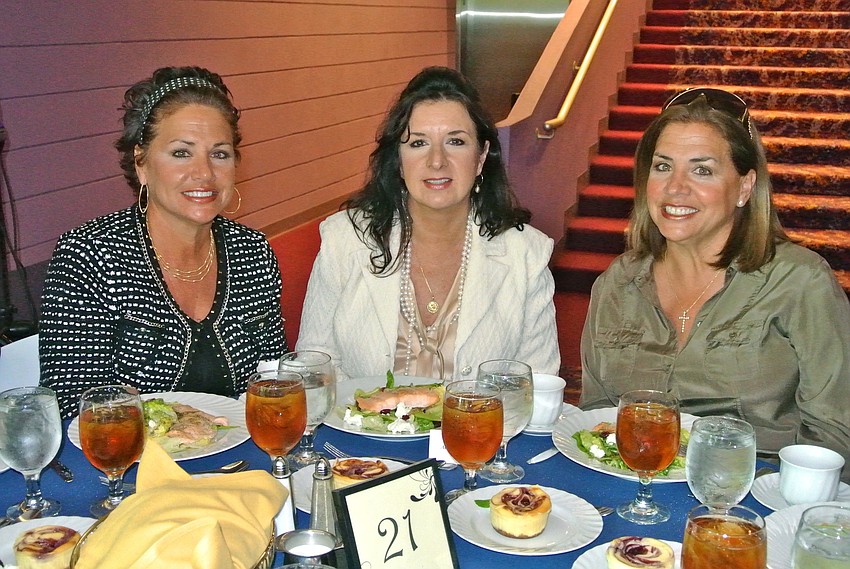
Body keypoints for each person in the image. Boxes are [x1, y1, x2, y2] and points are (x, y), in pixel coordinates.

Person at [580, 87, 850, 480]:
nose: (675, 188)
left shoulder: (800, 282)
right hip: (635, 490)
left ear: (744, 187)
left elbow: (835, 433)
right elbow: (598, 414)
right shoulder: (616, 284)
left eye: (702, 169)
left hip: (757, 502)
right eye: (662, 166)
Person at [40, 66, 287, 418]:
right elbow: (73, 408)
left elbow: (274, 381)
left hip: (244, 460)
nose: (204, 173)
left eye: (219, 154)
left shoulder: (252, 251)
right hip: (130, 466)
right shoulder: (89, 256)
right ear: (141, 163)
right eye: (181, 153)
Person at [296, 66, 559, 381]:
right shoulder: (344, 239)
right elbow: (313, 369)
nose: (437, 161)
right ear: (399, 159)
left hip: (486, 431)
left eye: (456, 142)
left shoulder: (527, 255)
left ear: (481, 156)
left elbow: (537, 384)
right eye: (418, 143)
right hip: (358, 429)